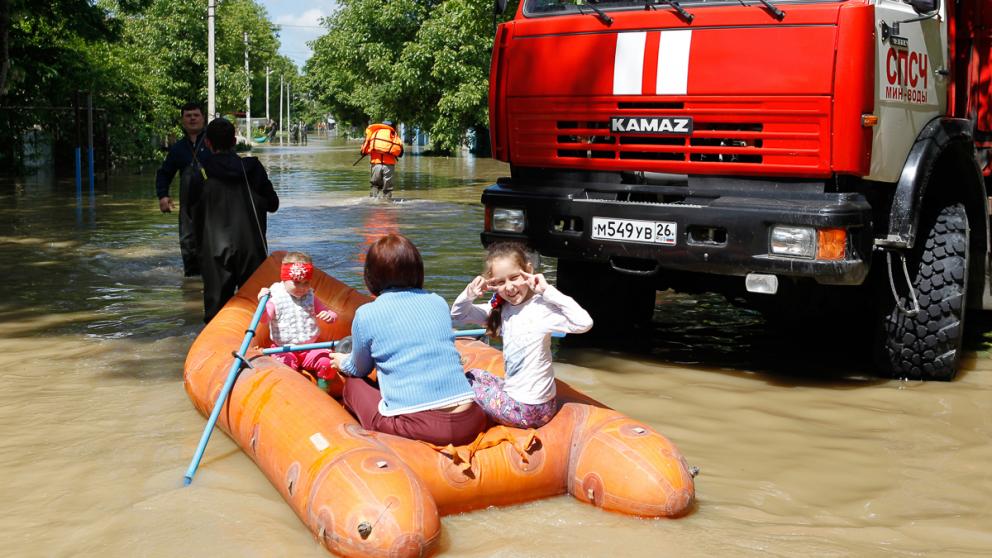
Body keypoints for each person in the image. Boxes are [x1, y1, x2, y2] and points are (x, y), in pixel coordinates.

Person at [328, 234, 487, 446]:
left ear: (370, 276)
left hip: (419, 427)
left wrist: (342, 362)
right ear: (418, 270)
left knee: (353, 384)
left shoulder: (366, 314)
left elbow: (359, 369)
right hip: (470, 421)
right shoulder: (438, 302)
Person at [450, 242, 593, 428]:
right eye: (501, 282)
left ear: (529, 271)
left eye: (514, 278)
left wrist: (547, 290)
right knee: (474, 374)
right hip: (532, 404)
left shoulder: (542, 308)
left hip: (528, 410)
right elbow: (458, 314)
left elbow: (584, 323)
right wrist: (470, 293)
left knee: (463, 383)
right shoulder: (501, 310)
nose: (509, 287)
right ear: (492, 283)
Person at [193, 117, 280, 322]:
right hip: (252, 249)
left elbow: (191, 219)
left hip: (214, 252)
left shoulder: (198, 173)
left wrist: (194, 258)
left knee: (216, 315)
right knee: (257, 311)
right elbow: (273, 204)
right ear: (234, 141)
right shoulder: (252, 169)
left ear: (208, 143)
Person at [257, 252, 339, 384]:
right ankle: (290, 389)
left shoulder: (310, 297)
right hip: (284, 349)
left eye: (306, 283)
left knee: (327, 362)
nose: (302, 288)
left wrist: (330, 316)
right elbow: (264, 319)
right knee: (283, 367)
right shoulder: (275, 298)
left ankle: (324, 388)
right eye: (296, 282)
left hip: (310, 348)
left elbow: (330, 313)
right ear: (284, 279)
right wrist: (262, 302)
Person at [155, 102, 212, 276]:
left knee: (213, 249)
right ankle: (191, 286)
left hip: (214, 207)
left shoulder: (214, 143)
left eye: (196, 115)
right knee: (188, 248)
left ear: (203, 118)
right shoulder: (178, 148)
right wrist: (163, 196)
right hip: (188, 210)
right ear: (182, 120)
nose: (192, 118)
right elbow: (164, 173)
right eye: (188, 116)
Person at [360, 120, 403, 200]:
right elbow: (400, 153)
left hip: (376, 164)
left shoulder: (374, 134)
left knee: (375, 185)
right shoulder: (393, 135)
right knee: (387, 188)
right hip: (388, 165)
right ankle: (387, 202)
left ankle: (372, 201)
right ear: (392, 127)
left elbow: (363, 151)